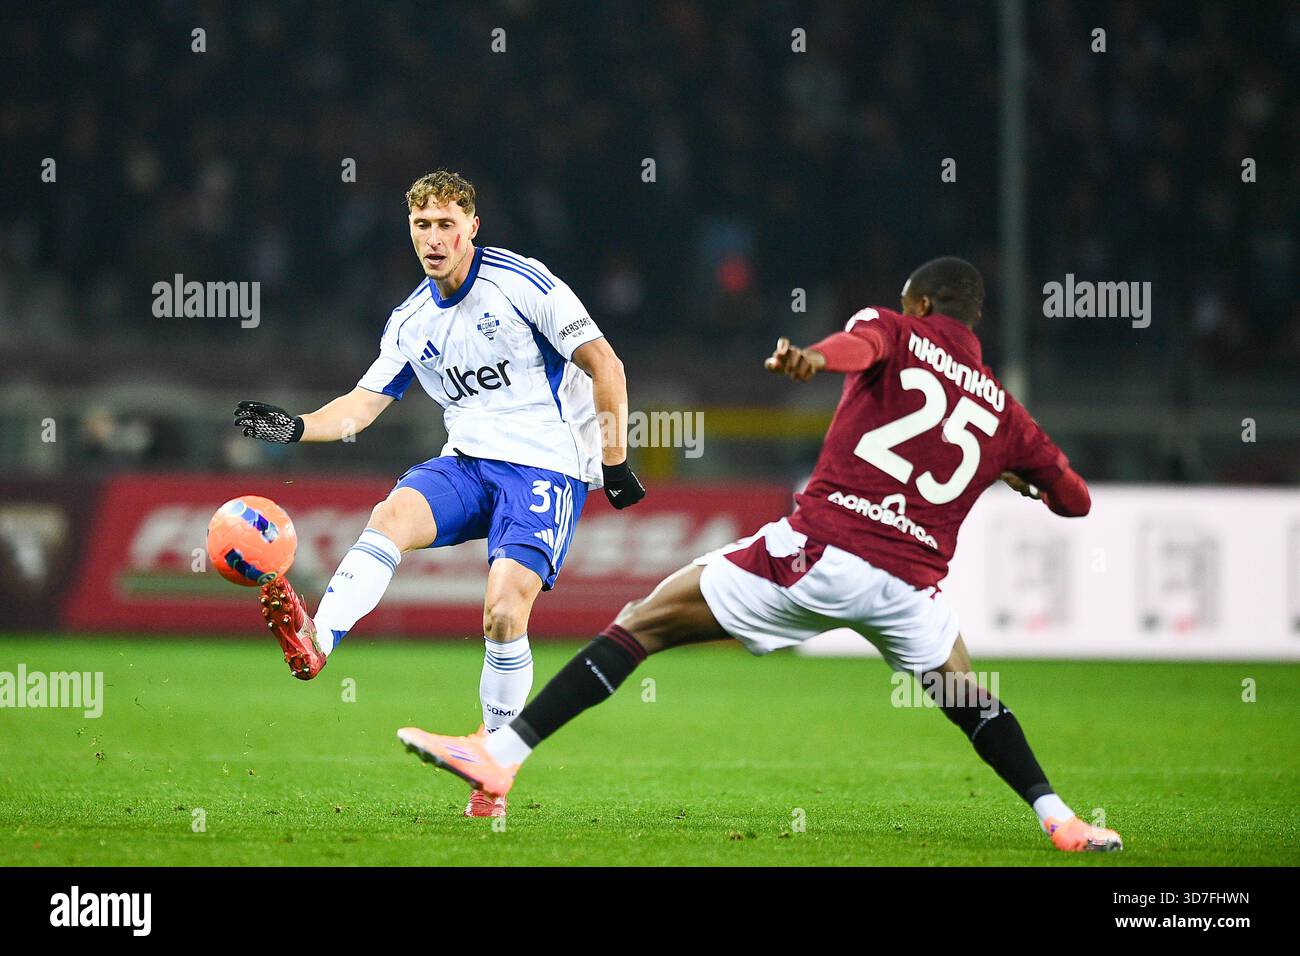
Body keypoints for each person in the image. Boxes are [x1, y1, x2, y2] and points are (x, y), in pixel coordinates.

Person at [397, 256, 1123, 852]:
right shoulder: (1004, 410)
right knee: (967, 696)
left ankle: (500, 757)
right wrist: (1023, 474)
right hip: (910, 585)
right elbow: (1077, 501)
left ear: (921, 301)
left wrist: (811, 357)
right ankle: (1057, 815)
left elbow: (858, 348)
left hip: (824, 549)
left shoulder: (895, 328)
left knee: (642, 623)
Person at [235, 169, 645, 818]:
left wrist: (616, 463)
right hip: (468, 464)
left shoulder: (522, 283)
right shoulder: (411, 321)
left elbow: (606, 364)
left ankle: (494, 769)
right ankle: (320, 638)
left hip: (545, 467)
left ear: (472, 228)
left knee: (504, 613)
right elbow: (361, 407)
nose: (433, 238)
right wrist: (296, 427)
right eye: (421, 226)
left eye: (446, 224)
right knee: (391, 513)